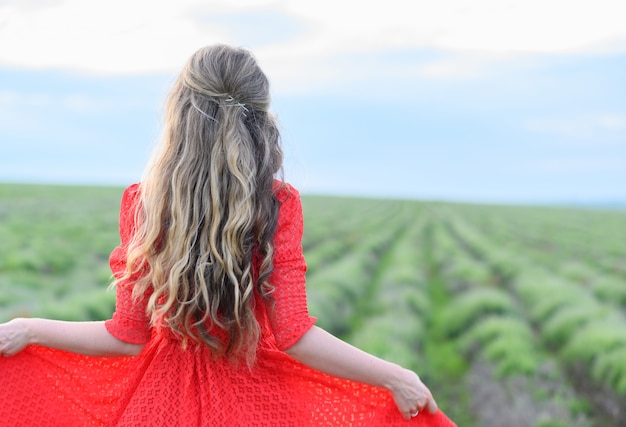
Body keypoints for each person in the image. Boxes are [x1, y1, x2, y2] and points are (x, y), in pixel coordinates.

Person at [0, 44, 456, 427]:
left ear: (179, 112)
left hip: (160, 406)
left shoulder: (145, 203)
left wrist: (29, 329)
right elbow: (295, 334)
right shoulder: (277, 204)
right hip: (257, 404)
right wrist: (395, 376)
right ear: (260, 119)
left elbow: (125, 336)